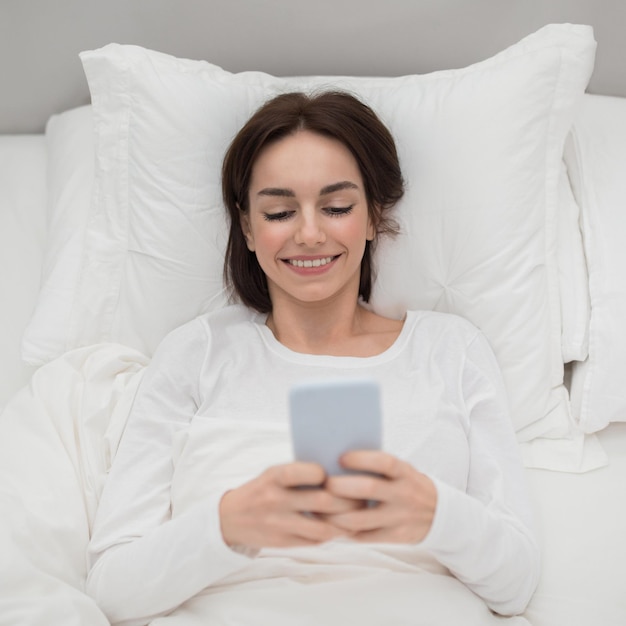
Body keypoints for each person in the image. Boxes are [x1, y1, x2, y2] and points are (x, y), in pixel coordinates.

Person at [86, 91, 540, 625]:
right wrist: (228, 525)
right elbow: (112, 590)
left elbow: (516, 584)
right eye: (279, 211)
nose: (308, 233)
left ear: (373, 216)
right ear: (249, 228)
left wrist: (436, 516)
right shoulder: (196, 354)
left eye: (337, 207)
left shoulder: (450, 350)